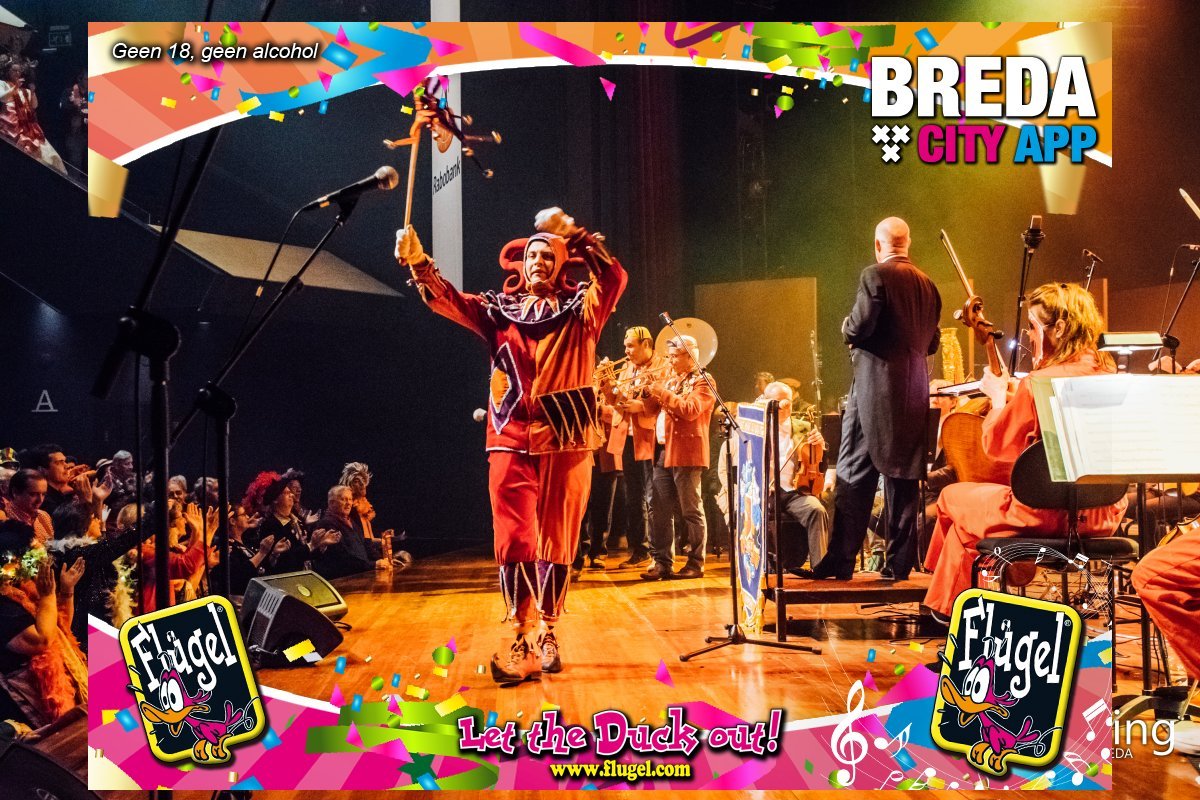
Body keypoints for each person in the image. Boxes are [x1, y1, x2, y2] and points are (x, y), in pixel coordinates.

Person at [396, 203, 626, 683]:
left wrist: (576, 234)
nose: (539, 261)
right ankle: (520, 636)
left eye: (548, 256)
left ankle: (549, 629)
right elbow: (449, 300)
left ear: (561, 265)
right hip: (509, 436)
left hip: (566, 439)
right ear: (521, 263)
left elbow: (614, 278)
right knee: (514, 539)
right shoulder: (499, 312)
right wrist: (419, 262)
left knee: (558, 540)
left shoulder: (583, 309)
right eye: (532, 255)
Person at [923, 282, 1128, 621]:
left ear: (1058, 328)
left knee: (950, 498)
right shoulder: (1112, 377)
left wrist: (998, 399)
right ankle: (944, 604)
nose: (1030, 337)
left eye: (1033, 327)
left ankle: (942, 603)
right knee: (964, 532)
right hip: (1102, 516)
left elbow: (998, 447)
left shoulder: (1037, 383)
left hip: (1042, 517)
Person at [812, 217, 942, 581]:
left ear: (877, 245)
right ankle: (898, 565)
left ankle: (841, 561)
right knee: (904, 479)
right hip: (913, 392)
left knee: (853, 473)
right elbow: (932, 342)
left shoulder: (875, 275)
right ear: (908, 243)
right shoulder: (929, 285)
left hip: (874, 391)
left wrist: (846, 327)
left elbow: (860, 325)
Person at [642, 335, 716, 580]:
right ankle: (662, 563)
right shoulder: (672, 380)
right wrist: (647, 392)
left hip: (686, 453)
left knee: (690, 510)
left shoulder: (703, 381)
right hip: (663, 452)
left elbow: (690, 410)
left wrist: (662, 392)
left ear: (690, 357)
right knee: (659, 510)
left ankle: (696, 563)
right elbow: (650, 411)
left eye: (674, 356)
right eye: (669, 356)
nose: (670, 361)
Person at [599, 326, 665, 568]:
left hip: (647, 437)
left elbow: (663, 401)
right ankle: (640, 550)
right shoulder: (628, 367)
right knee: (632, 498)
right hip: (626, 437)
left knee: (652, 497)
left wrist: (643, 407)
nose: (626, 351)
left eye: (630, 346)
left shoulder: (661, 366)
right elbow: (616, 401)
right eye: (625, 346)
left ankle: (658, 553)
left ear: (646, 344)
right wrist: (607, 384)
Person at [761, 382, 830, 574]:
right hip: (767, 490)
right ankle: (764, 566)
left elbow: (820, 465)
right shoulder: (757, 428)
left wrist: (821, 447)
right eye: (777, 402)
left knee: (817, 510)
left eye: (788, 402)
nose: (783, 407)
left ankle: (820, 567)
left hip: (795, 491)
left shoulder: (805, 428)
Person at [311, 486, 389, 580]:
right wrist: (373, 565)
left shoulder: (351, 521)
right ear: (331, 503)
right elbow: (343, 558)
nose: (348, 503)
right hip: (342, 580)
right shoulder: (327, 524)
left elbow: (365, 545)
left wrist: (384, 560)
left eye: (350, 499)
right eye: (343, 499)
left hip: (360, 576)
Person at [5, 469, 55, 546]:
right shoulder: (5, 518)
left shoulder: (43, 516)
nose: (40, 500)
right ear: (15, 492)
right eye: (33, 494)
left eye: (43, 494)